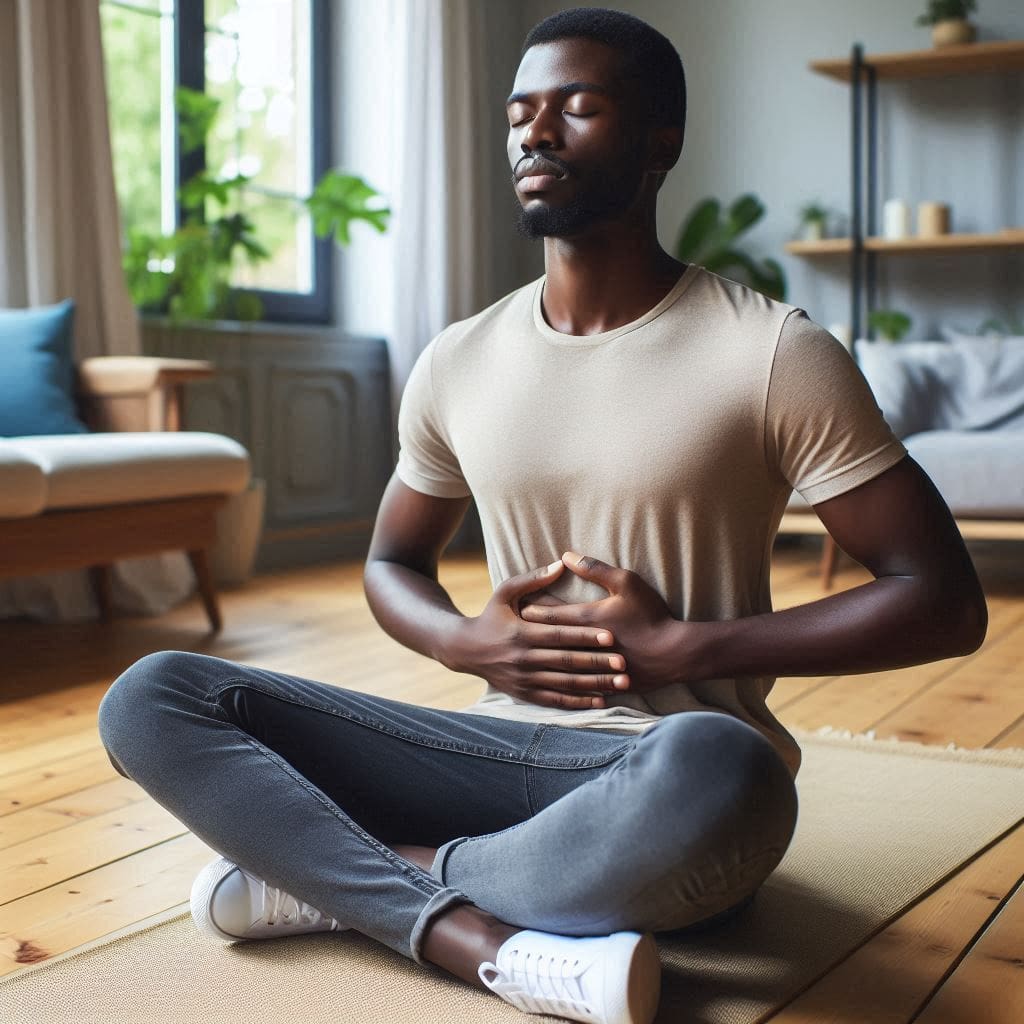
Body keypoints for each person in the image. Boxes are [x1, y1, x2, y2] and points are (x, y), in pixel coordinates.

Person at [97, 8, 987, 1024]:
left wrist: (681, 645)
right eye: (521, 112)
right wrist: (469, 642)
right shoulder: (459, 359)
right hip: (482, 760)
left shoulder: (772, 352)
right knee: (152, 696)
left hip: (658, 778)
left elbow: (942, 598)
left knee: (727, 766)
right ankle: (478, 935)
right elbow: (394, 560)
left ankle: (342, 876)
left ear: (661, 141)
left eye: (577, 107)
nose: (536, 132)